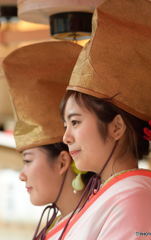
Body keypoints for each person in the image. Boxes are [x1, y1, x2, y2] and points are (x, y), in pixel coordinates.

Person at [59, 0, 151, 239]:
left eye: (75, 122)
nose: (66, 137)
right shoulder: (114, 195)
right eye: (66, 125)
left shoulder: (136, 199)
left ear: (116, 126)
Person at [2, 41, 93, 240]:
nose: (22, 175)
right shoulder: (61, 223)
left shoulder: (97, 221)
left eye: (27, 161)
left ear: (62, 161)